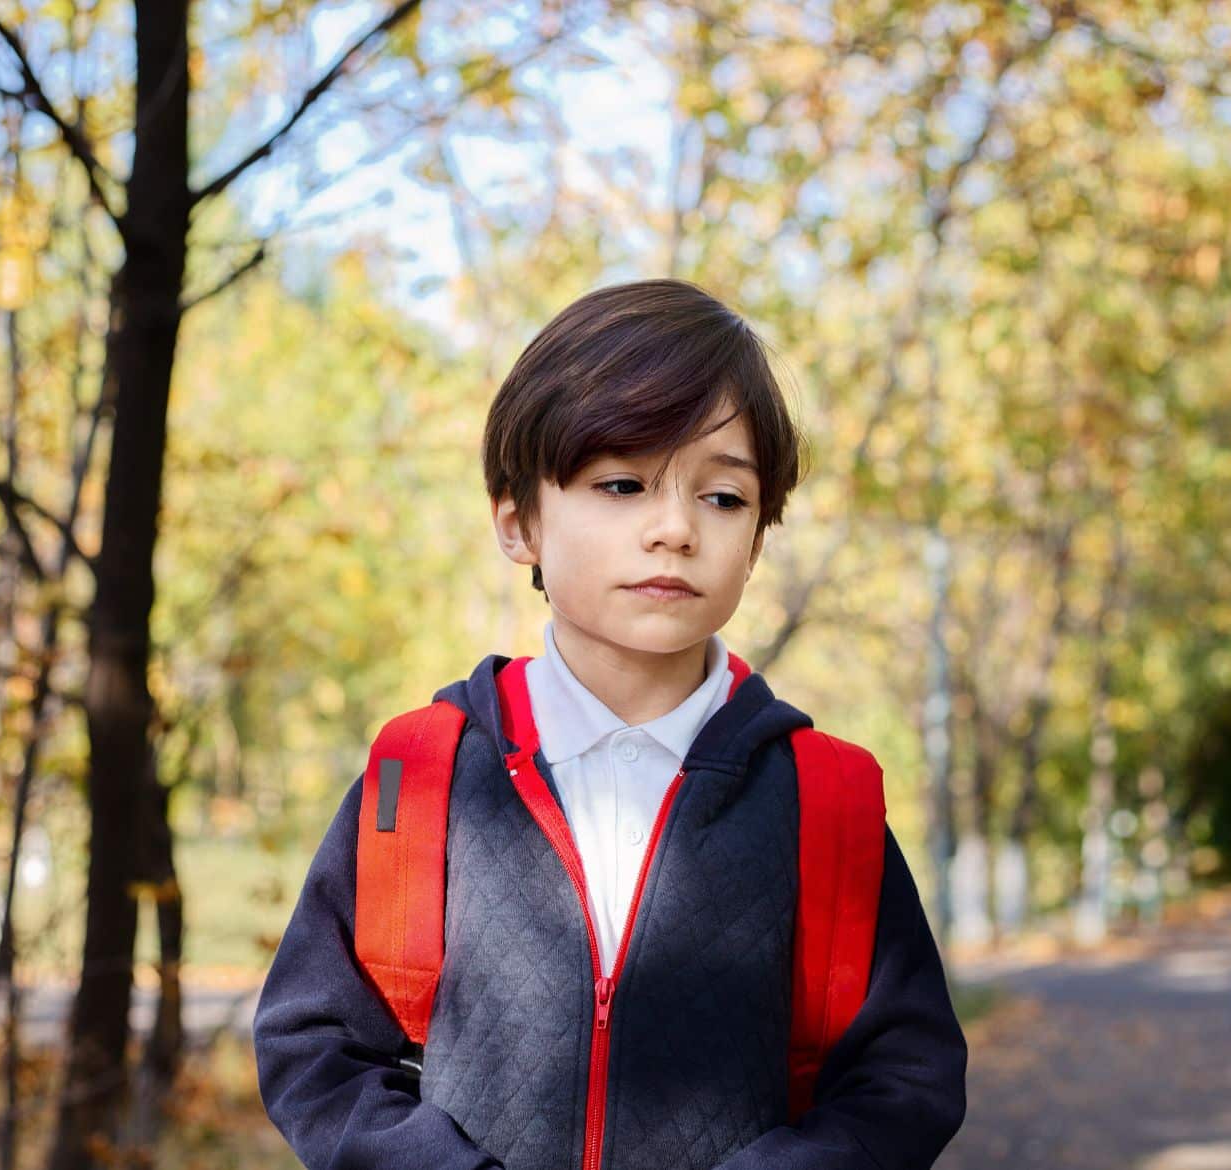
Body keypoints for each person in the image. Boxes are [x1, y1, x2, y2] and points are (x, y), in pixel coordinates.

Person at [253, 278, 968, 1170]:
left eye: (723, 498)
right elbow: (314, 1046)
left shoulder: (824, 799)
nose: (674, 529)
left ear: (759, 537)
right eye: (623, 483)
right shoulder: (422, 777)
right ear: (520, 526)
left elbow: (907, 1072)